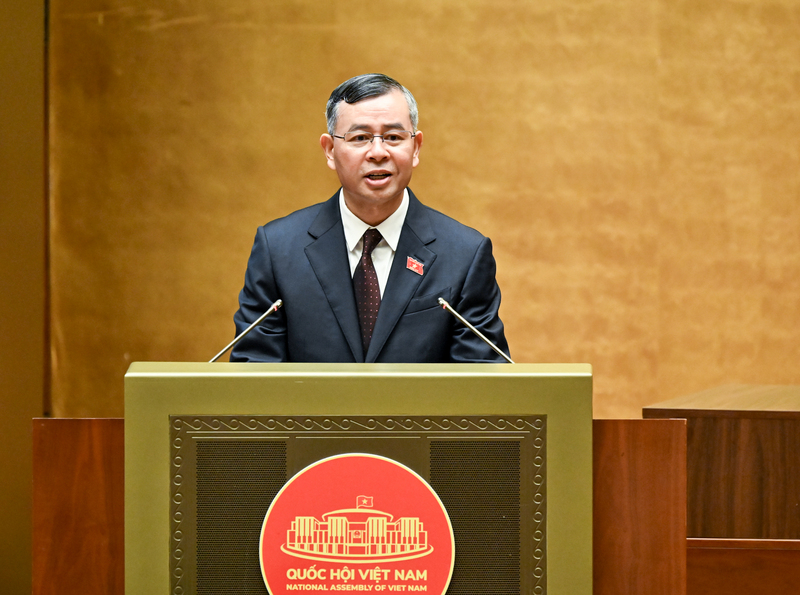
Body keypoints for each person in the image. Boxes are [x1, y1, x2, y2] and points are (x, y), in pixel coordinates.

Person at [230, 73, 509, 363]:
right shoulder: (278, 250)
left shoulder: (465, 254)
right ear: (330, 150)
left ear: (416, 147)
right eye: (360, 138)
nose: (377, 153)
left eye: (393, 137)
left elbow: (481, 379)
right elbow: (254, 372)